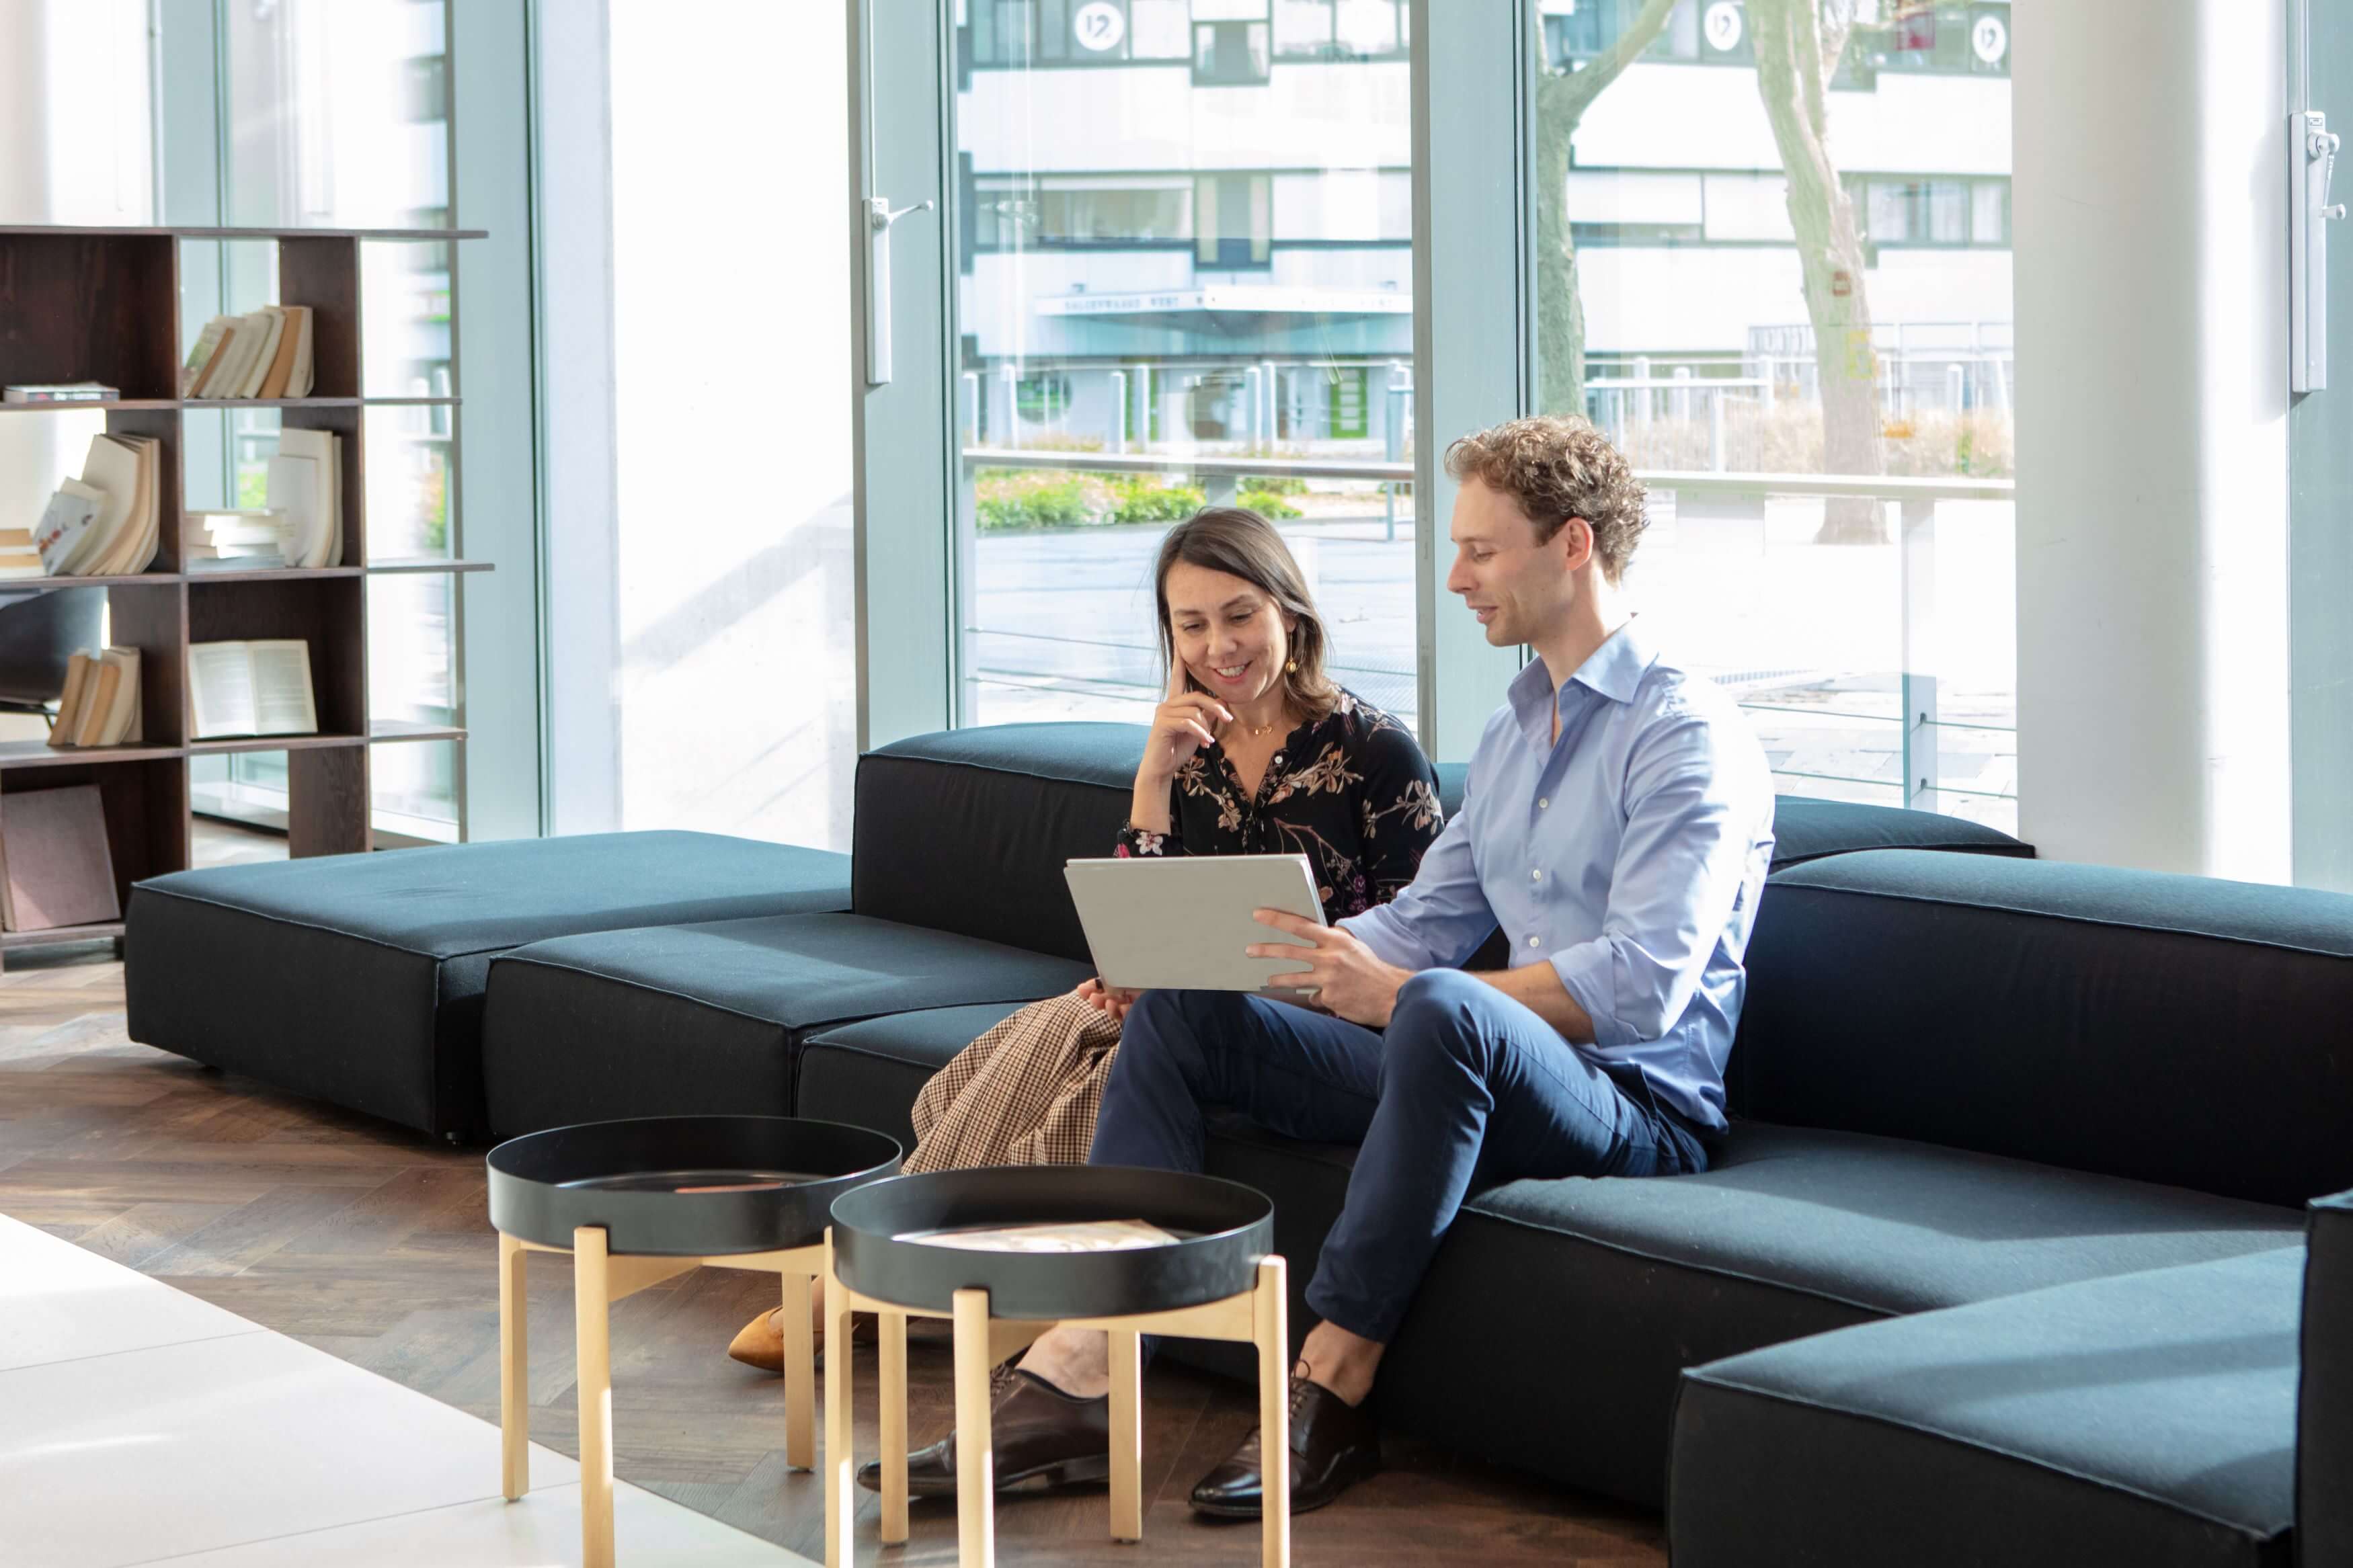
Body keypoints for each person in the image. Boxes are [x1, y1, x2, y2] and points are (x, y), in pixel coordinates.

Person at [867, 415, 1776, 1516]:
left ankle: (1333, 1387)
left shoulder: (1684, 733)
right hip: (1477, 1065)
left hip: (1633, 1105)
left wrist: (1395, 994)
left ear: (1573, 543)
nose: (1457, 577)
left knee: (1440, 1007)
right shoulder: (1513, 734)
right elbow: (1420, 920)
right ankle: (1087, 1366)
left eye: (1481, 550)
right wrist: (1225, 959)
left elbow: (1645, 983)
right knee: (1187, 1011)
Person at [727, 505, 1445, 1372]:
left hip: (1323, 1030)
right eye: (1192, 625)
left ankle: (874, 1281)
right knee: (1064, 1023)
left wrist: (1196, 984)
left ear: (1289, 613)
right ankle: (920, 1280)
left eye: (1240, 616)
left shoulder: (1377, 750)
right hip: (1193, 1005)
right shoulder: (1193, 747)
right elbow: (1139, 917)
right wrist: (1152, 781)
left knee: (1101, 1058)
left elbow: (1416, 947)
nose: (1219, 646)